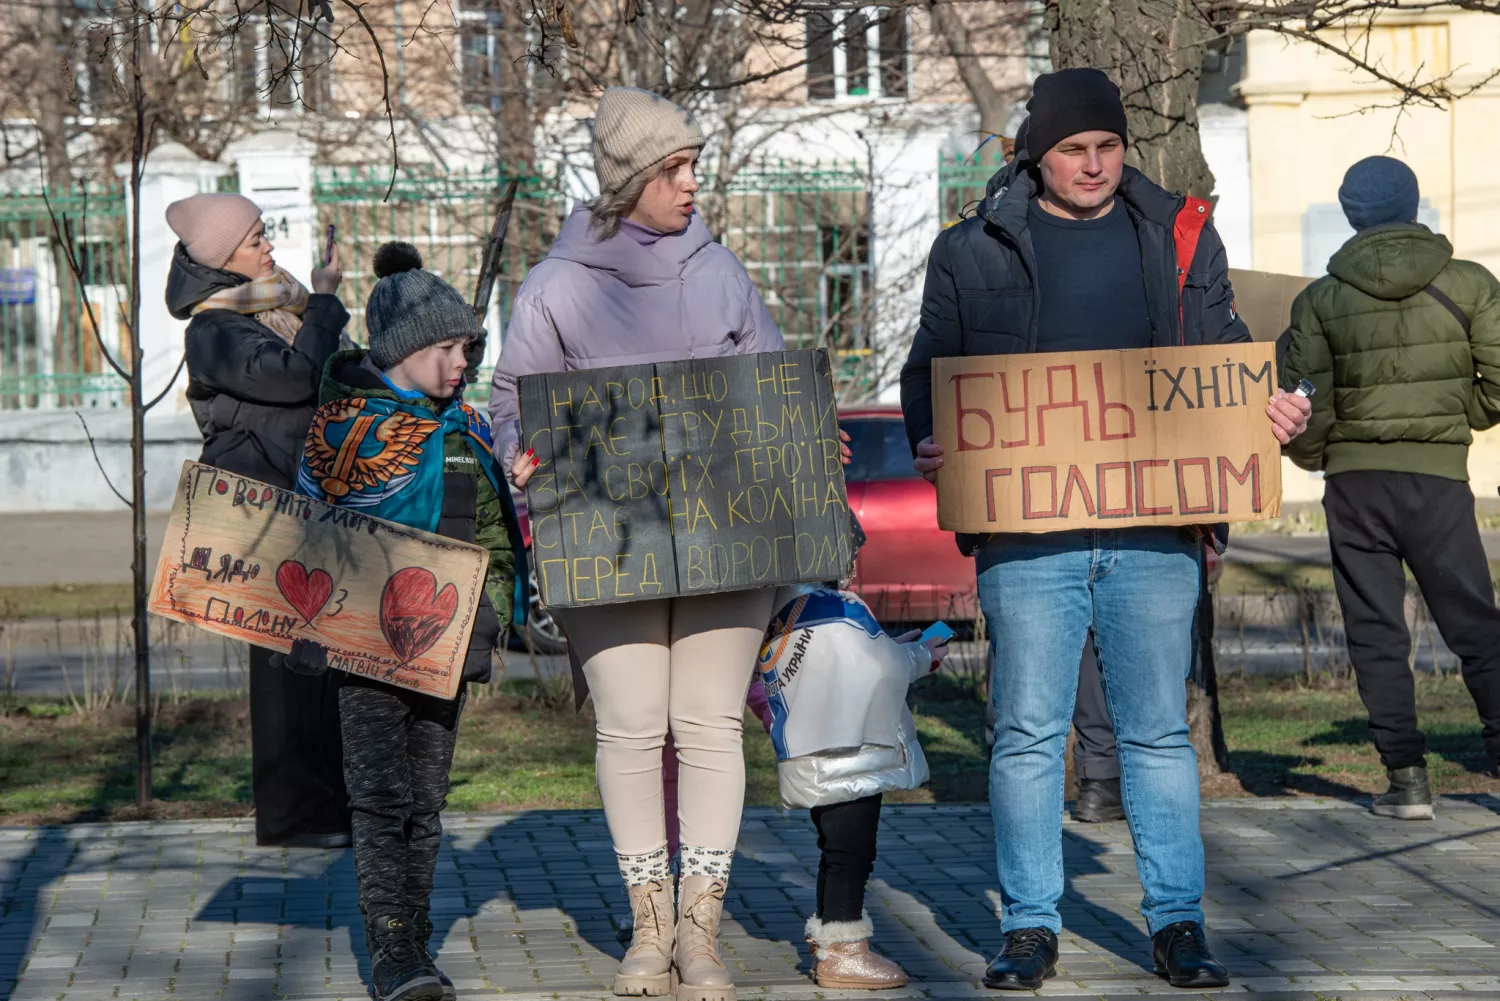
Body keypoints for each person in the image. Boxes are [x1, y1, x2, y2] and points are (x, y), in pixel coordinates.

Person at [900, 68, 1312, 991]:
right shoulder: (970, 249)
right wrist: (935, 435)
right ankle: (1030, 927)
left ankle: (1177, 925)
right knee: (1028, 734)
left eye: (1107, 148)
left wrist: (1266, 417)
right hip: (1028, 536)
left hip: (1154, 531)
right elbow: (928, 367)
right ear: (1036, 156)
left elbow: (1221, 360)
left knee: (1158, 734)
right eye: (1074, 150)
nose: (1094, 165)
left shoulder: (1179, 238)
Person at [487, 87, 786, 1001]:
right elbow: (510, 402)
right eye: (674, 169)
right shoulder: (557, 286)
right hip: (605, 540)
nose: (693, 184)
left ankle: (701, 933)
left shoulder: (722, 271)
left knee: (706, 723)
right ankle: (647, 930)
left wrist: (800, 429)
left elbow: (769, 378)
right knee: (629, 725)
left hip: (727, 536)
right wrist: (521, 452)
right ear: (627, 180)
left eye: (694, 166)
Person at [290, 241, 524, 1001]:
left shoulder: (464, 432)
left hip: (444, 639)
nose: (463, 362)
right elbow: (309, 532)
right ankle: (390, 947)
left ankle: (413, 941)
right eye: (450, 349)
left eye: (467, 348)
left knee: (426, 795)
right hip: (361, 647)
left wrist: (499, 602)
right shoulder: (345, 428)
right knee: (380, 793)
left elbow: (488, 535)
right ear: (407, 349)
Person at [1280, 155, 1500, 820]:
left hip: (1354, 486)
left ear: (1351, 215)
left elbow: (1304, 401)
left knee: (1376, 631)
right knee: (1477, 628)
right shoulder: (1470, 284)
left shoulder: (1318, 299)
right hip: (1439, 482)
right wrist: (1465, 416)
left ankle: (1406, 780)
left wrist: (1321, 455)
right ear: (1416, 204)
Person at [167, 192, 352, 849]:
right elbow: (297, 378)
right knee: (281, 669)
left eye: (264, 233)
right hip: (256, 508)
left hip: (302, 499)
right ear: (222, 258)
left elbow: (330, 371)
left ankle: (327, 806)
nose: (267, 245)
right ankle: (293, 814)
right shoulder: (214, 329)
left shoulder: (276, 306)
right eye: (254, 239)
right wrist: (325, 302)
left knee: (320, 658)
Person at [758, 585, 949, 990]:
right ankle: (844, 952)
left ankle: (829, 939)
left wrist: (885, 646)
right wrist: (922, 656)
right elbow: (881, 668)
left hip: (813, 752)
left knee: (835, 850)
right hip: (852, 752)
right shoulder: (834, 604)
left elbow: (845, 661)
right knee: (852, 853)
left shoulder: (783, 607)